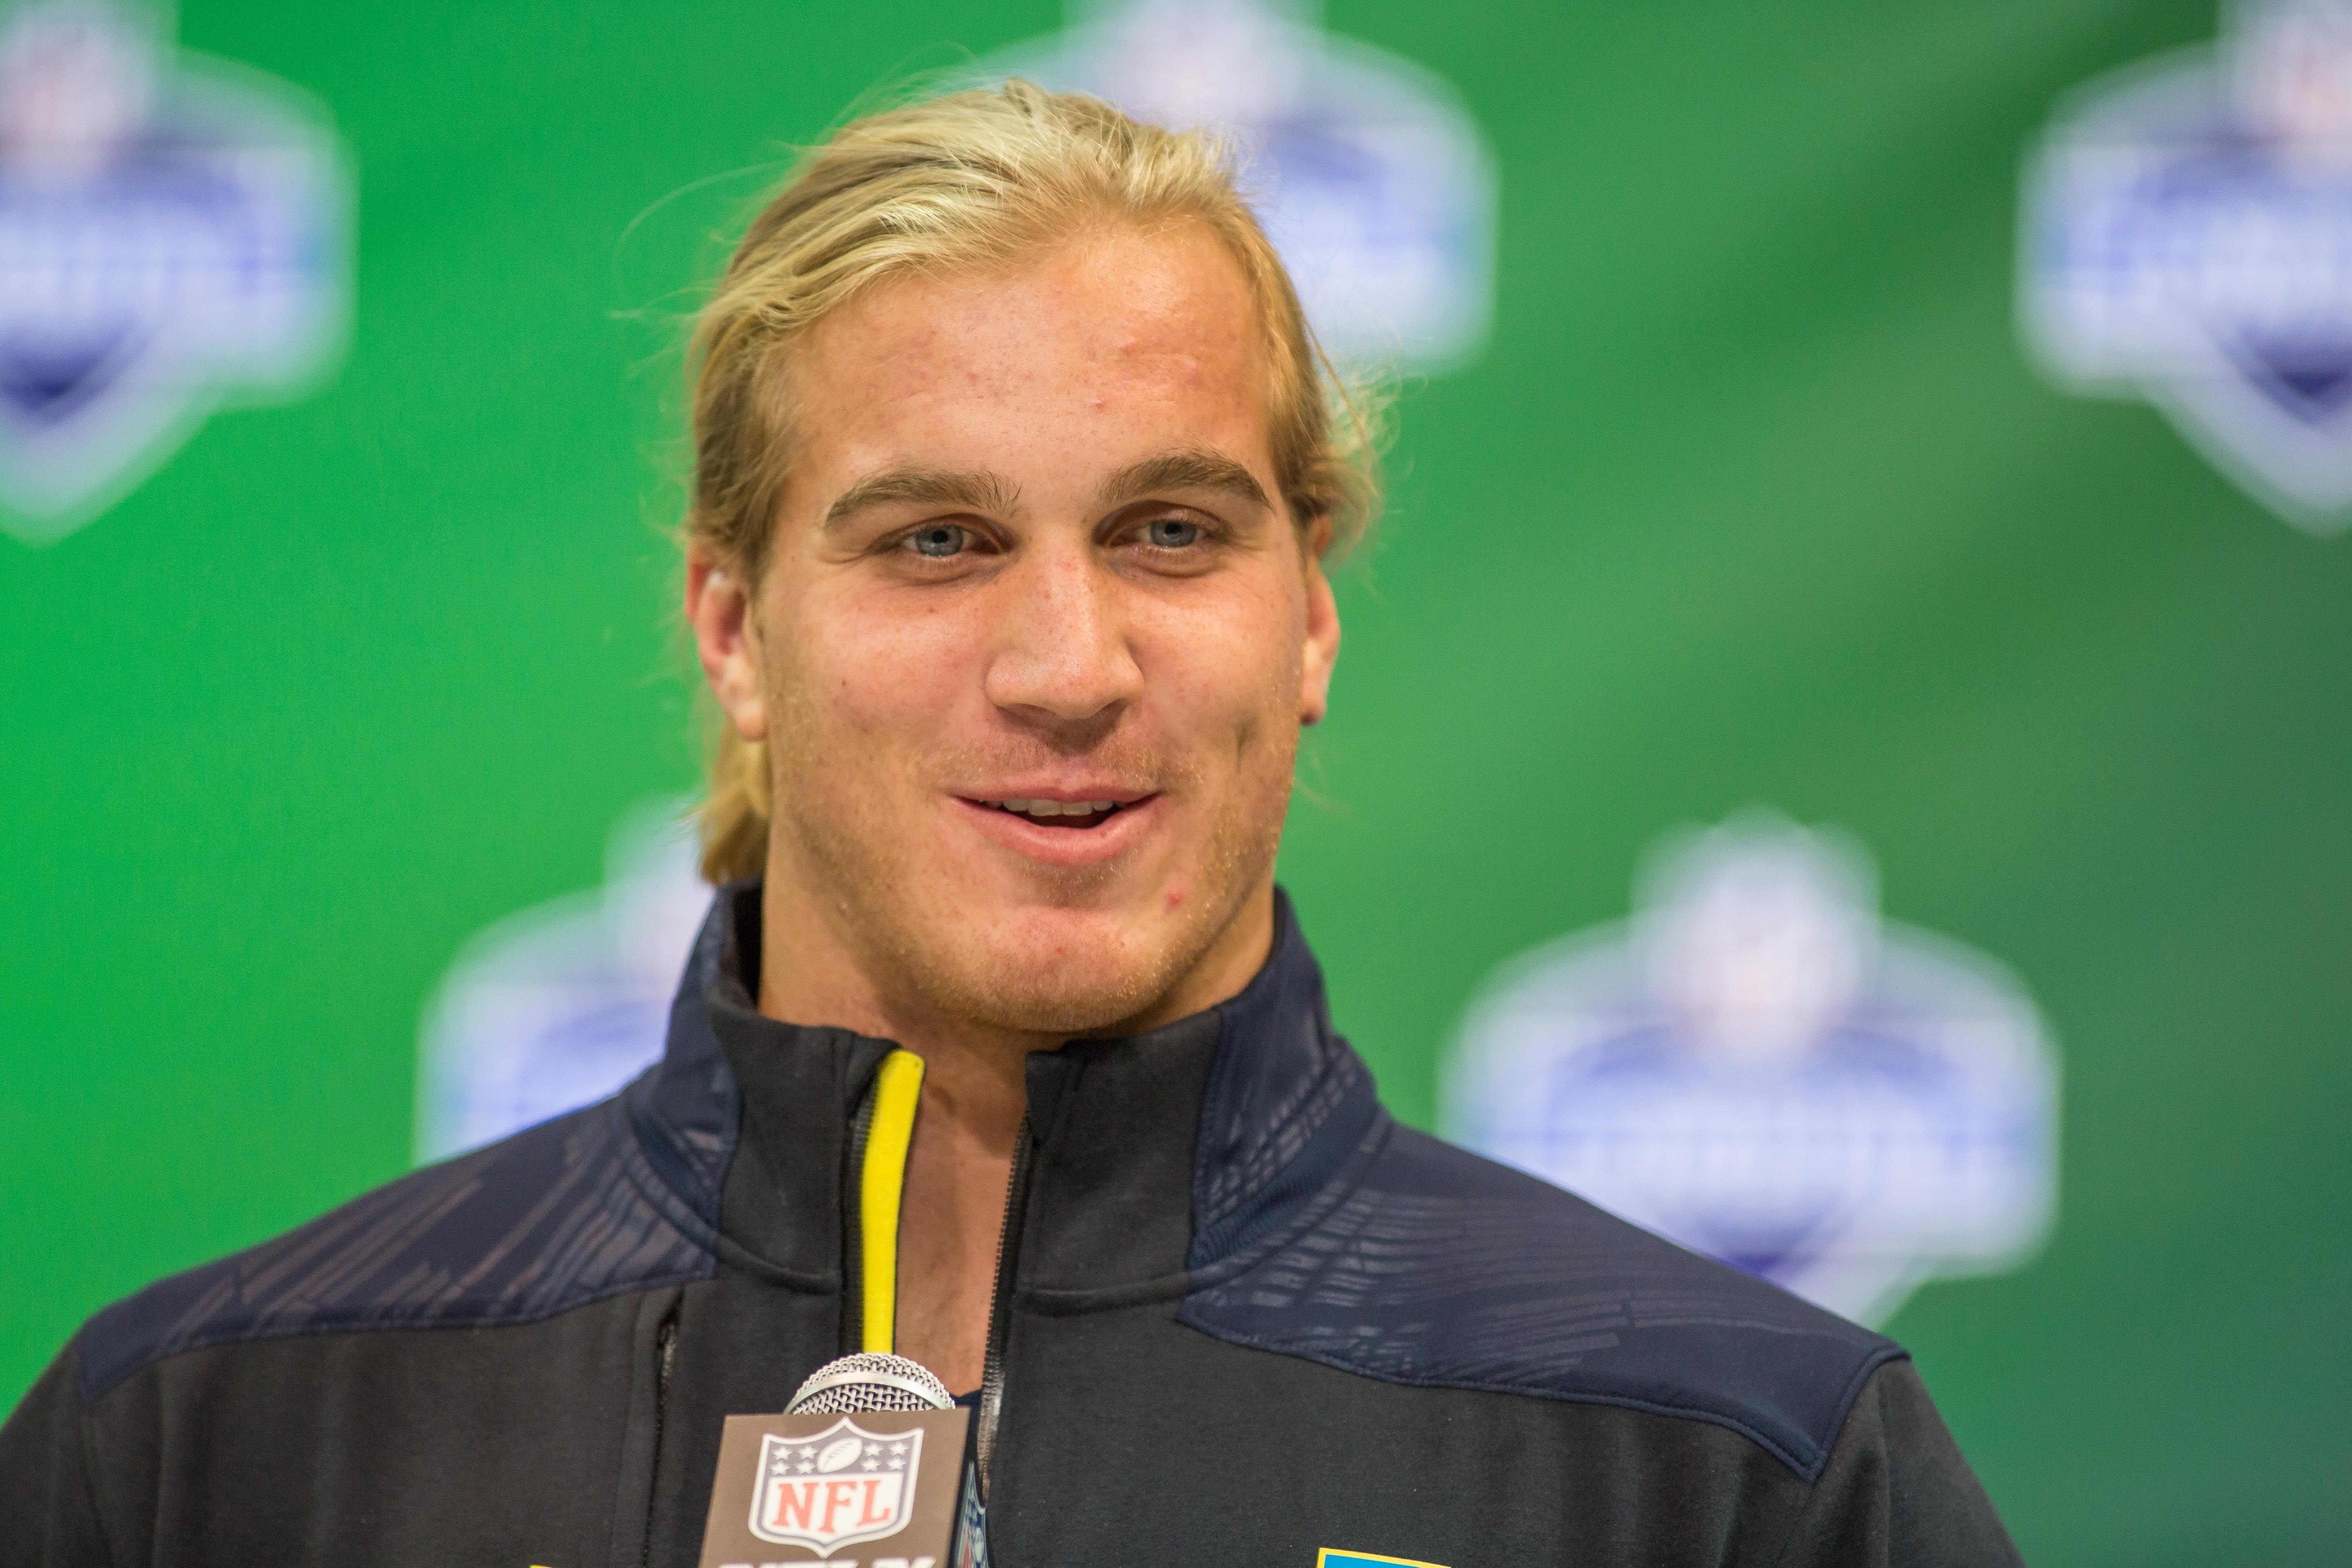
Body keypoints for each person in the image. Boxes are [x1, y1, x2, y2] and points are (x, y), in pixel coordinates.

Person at [0, 82, 2022, 1566]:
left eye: (1168, 532)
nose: (1067, 662)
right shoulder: (213, 1445)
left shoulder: (1727, 1466)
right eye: (938, 541)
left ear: (1306, 610)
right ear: (735, 626)